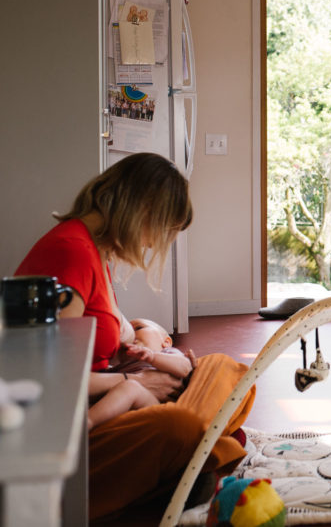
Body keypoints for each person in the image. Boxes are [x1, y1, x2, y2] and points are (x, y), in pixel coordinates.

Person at [15, 152, 254, 519]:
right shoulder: (71, 252)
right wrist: (131, 380)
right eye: (159, 227)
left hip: (108, 397)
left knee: (227, 371)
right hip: (75, 428)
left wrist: (143, 357)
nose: (152, 243)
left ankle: (198, 453)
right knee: (180, 425)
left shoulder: (93, 250)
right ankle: (201, 449)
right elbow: (47, 380)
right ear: (140, 208)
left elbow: (102, 345)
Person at [89, 318, 193, 428]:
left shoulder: (167, 353)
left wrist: (152, 357)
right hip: (121, 413)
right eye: (121, 335)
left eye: (138, 328)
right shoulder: (118, 368)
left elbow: (185, 367)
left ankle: (87, 422)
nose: (129, 336)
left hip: (154, 405)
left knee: (131, 387)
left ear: (166, 342)